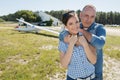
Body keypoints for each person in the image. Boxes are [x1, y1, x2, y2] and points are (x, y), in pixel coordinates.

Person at [59, 5, 106, 80]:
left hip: (95, 73)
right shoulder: (71, 31)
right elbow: (62, 34)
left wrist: (81, 32)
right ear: (80, 15)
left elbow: (100, 44)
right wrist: (68, 39)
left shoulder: (98, 28)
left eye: (92, 16)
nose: (89, 19)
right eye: (86, 15)